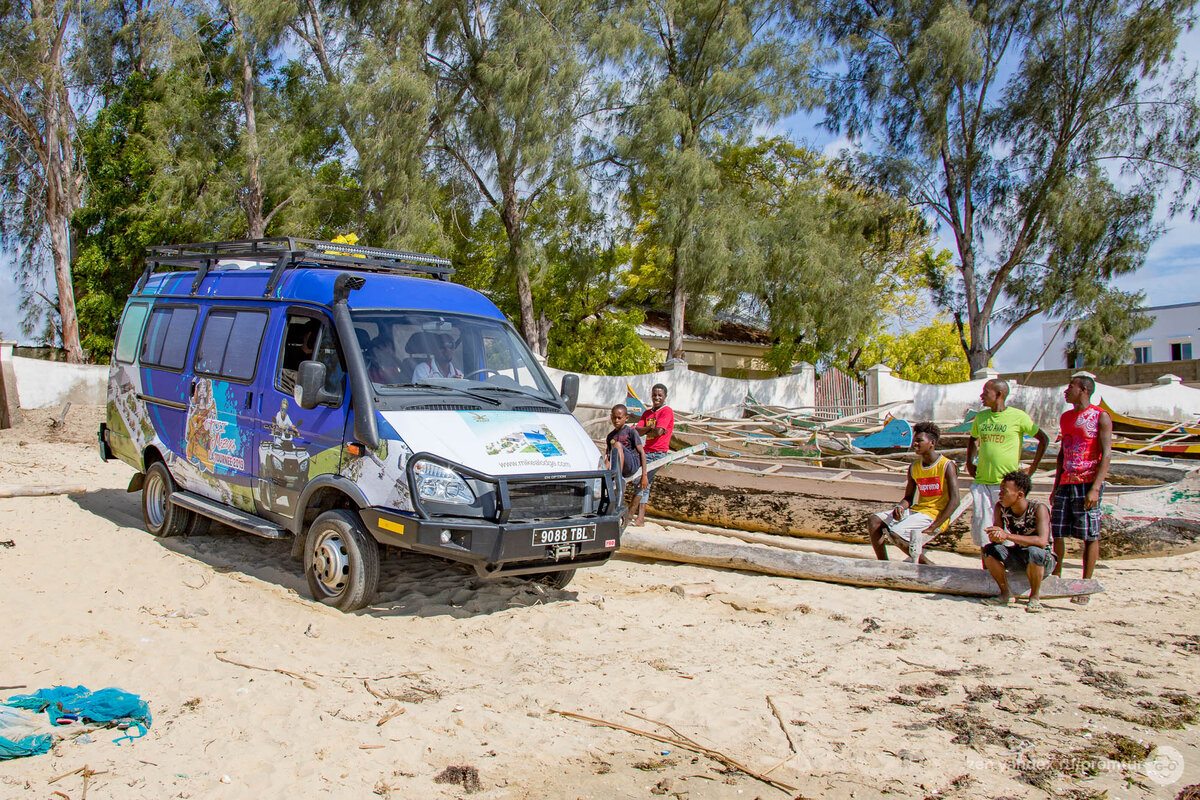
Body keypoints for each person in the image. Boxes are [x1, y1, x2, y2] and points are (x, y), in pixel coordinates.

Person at [965, 379, 1049, 559]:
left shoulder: (1018, 417)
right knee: (983, 529)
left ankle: (1008, 567)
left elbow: (1044, 439)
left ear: (999, 394)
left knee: (1007, 531)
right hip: (982, 482)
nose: (981, 396)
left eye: (985, 392)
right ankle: (987, 569)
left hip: (1005, 486)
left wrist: (1032, 468)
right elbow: (973, 439)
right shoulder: (981, 417)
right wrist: (970, 462)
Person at [1050, 375, 1112, 603]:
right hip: (1066, 481)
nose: (1066, 391)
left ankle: (1085, 584)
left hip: (1087, 482)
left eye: (1071, 387)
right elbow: (1062, 453)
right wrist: (1056, 485)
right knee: (1057, 531)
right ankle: (1056, 574)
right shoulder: (1066, 417)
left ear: (1084, 390)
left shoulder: (1100, 416)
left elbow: (1106, 454)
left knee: (1089, 534)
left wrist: (1095, 488)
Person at [866, 422, 960, 564]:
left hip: (934, 515)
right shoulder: (914, 467)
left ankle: (928, 565)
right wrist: (900, 507)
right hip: (918, 511)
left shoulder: (947, 465)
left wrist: (936, 525)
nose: (915, 444)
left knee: (896, 533)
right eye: (914, 440)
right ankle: (883, 564)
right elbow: (908, 498)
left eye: (919, 441)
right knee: (874, 521)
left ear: (932, 443)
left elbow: (955, 500)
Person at [980, 470, 1055, 612]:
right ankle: (1005, 593)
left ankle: (1034, 597)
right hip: (1020, 555)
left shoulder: (1039, 509)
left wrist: (1007, 536)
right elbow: (998, 535)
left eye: (1004, 491)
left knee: (1035, 551)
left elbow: (1042, 541)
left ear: (1019, 494)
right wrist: (995, 536)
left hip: (1043, 559)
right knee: (989, 550)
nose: (1000, 494)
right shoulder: (1000, 507)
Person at [633, 383, 675, 526]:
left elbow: (658, 432)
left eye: (660, 395)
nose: (656, 398)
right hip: (646, 452)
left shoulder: (666, 411)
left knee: (642, 482)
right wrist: (650, 428)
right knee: (644, 483)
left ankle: (636, 517)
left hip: (658, 453)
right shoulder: (647, 413)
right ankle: (640, 518)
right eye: (654, 395)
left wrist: (648, 429)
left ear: (665, 397)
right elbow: (637, 431)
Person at [604, 405, 649, 521]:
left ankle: (619, 478)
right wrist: (604, 476)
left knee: (618, 445)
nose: (616, 421)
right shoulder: (610, 436)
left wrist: (644, 475)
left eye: (619, 418)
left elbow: (642, 453)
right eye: (614, 418)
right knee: (609, 454)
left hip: (631, 464)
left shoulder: (631, 432)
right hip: (618, 464)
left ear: (626, 418)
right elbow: (608, 457)